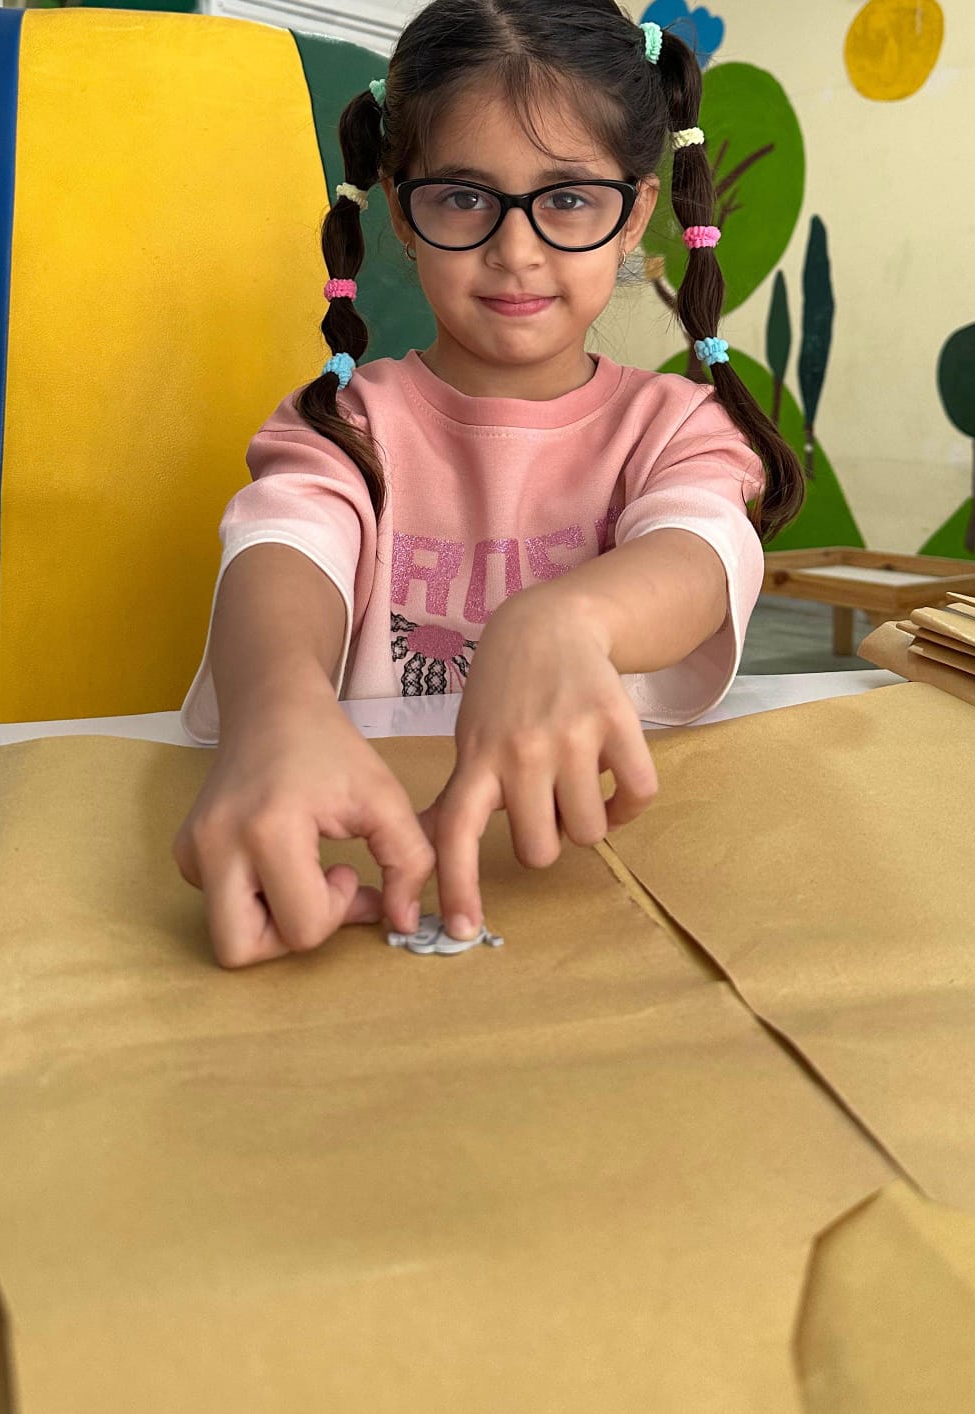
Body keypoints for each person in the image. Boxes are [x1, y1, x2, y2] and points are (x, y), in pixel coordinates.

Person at [175, 0, 805, 969]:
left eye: (569, 199)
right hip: (366, 873)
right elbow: (283, 547)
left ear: (635, 214)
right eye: (465, 197)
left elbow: (699, 548)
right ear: (402, 211)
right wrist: (275, 709)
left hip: (614, 904)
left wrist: (563, 620)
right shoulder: (343, 425)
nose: (517, 251)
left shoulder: (677, 427)